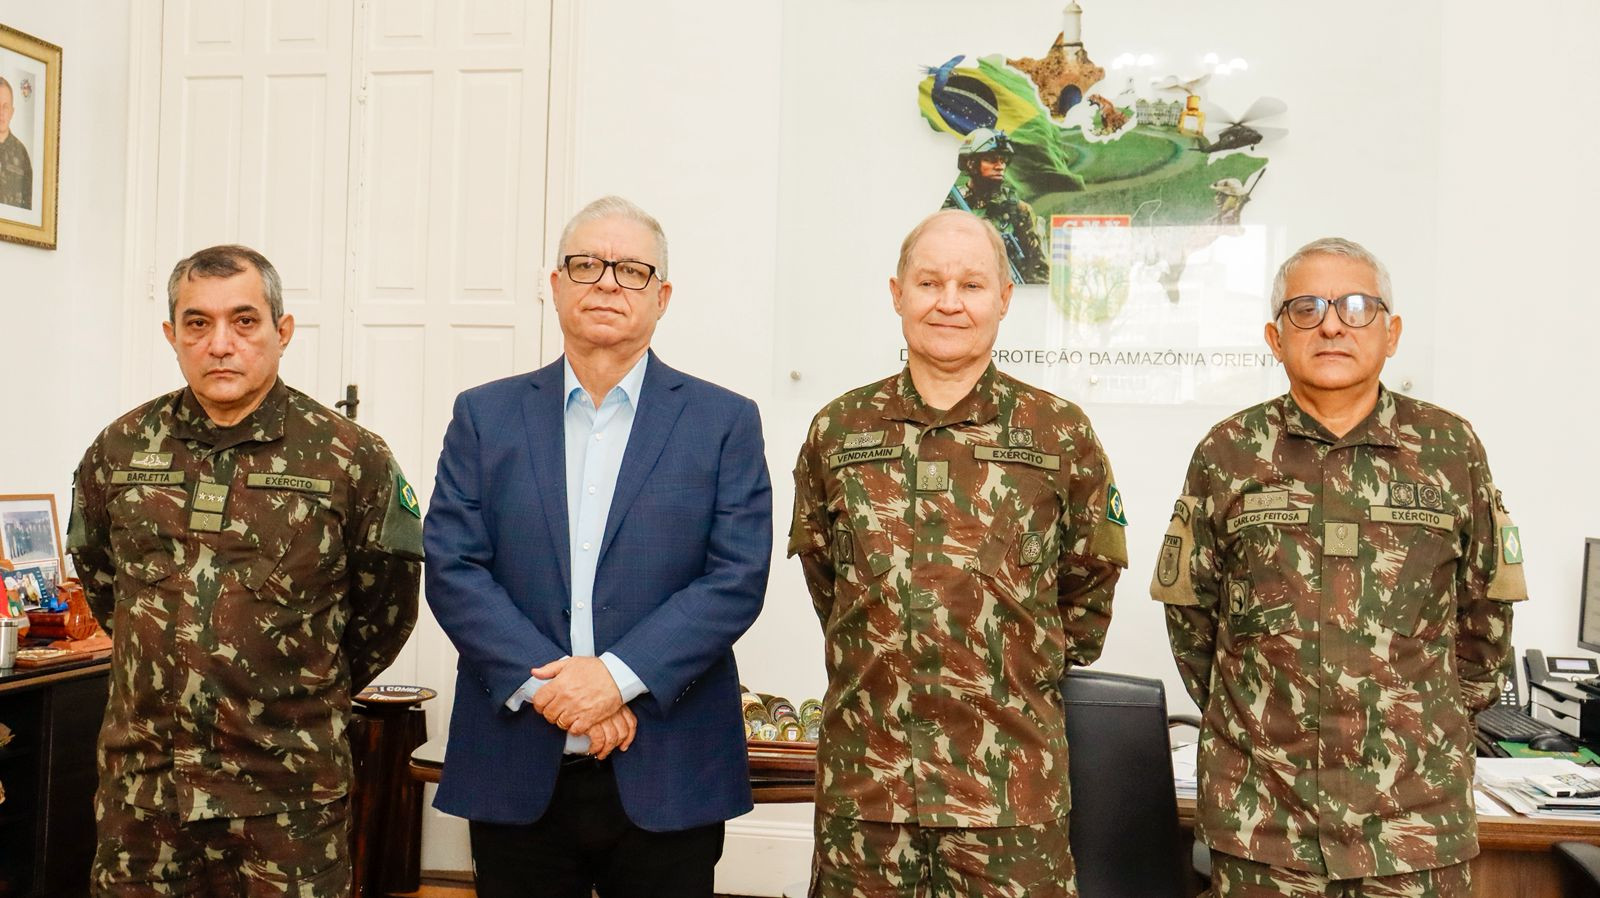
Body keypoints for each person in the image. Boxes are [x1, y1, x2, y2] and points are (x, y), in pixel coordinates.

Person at [1150, 237, 1526, 898]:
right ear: (1275, 337)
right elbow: (1193, 619)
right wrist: (1263, 716)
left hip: (1414, 820)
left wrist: (1425, 726)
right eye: (1306, 308)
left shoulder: (1450, 448)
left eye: (1356, 307)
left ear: (1391, 332)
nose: (1331, 325)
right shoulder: (1228, 452)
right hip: (1266, 820)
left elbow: (1485, 617)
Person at [424, 195, 772, 898]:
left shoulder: (724, 422)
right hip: (517, 762)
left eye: (632, 270)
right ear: (555, 285)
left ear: (662, 296)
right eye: (586, 265)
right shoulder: (484, 415)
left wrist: (616, 678)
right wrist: (555, 691)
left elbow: (735, 577)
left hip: (669, 765)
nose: (608, 283)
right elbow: (454, 567)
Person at [789, 208, 1128, 897]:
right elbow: (832, 588)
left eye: (971, 285)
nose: (949, 302)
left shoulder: (1060, 434)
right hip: (867, 796)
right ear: (897, 294)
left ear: (1004, 299)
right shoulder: (838, 431)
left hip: (1010, 798)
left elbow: (1087, 595)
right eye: (929, 282)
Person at [67, 244, 422, 896]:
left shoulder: (350, 458)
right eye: (197, 323)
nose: (220, 344)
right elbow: (102, 584)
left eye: (244, 321)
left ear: (282, 331)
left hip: (288, 794)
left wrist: (296, 692)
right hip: (145, 792)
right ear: (171, 335)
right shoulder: (119, 450)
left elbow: (386, 610)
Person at [941, 128, 1047, 284]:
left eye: (1003, 160)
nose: (1000, 166)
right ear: (971, 163)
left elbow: (1040, 271)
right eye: (991, 159)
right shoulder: (950, 206)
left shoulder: (1018, 210)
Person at [0, 77, 32, 210]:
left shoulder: (21, 153)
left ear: (12, 112)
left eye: (5, 107)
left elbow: (29, 205)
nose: (1, 113)